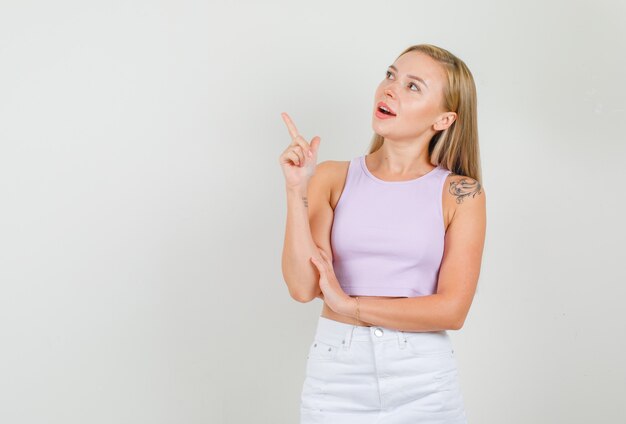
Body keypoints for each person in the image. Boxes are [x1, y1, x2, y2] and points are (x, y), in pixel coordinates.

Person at [279, 43, 486, 424]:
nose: (389, 89)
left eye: (412, 86)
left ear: (443, 119)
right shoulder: (331, 177)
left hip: (423, 376)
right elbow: (302, 287)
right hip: (337, 373)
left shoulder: (461, 193)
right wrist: (296, 189)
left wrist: (351, 306)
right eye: (390, 75)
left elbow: (452, 310)